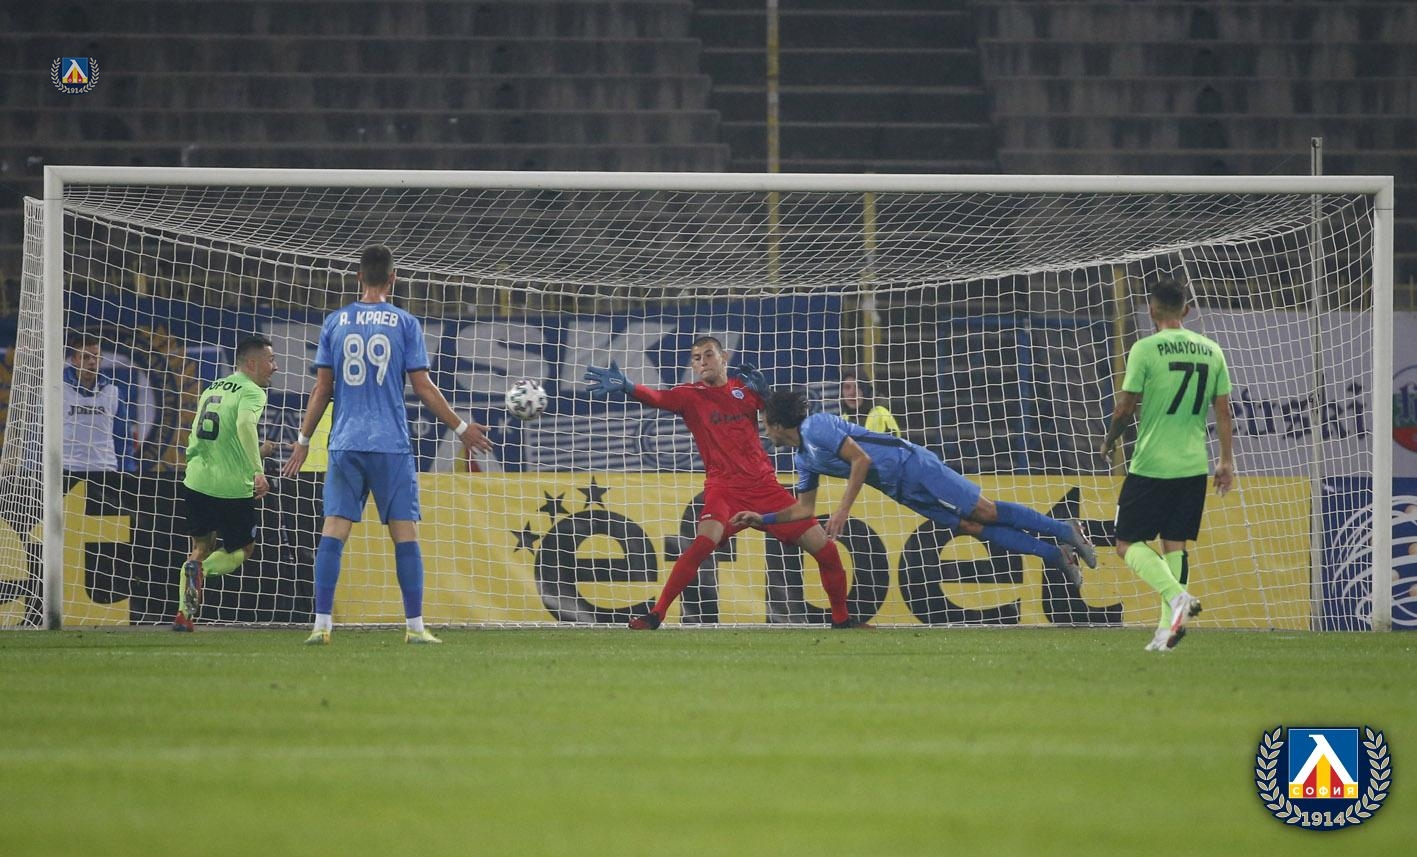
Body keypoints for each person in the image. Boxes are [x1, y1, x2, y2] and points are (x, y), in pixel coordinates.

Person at [281, 244, 492, 645]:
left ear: (358, 276)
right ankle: (414, 627)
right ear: (393, 278)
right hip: (390, 443)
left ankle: (321, 625)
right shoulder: (404, 323)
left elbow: (322, 389)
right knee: (404, 534)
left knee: (333, 530)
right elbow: (423, 387)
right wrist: (461, 427)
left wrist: (304, 440)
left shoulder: (335, 322)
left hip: (345, 442)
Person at [585, 337, 866, 629]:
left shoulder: (745, 391)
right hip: (724, 490)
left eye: (708, 355)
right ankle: (656, 614)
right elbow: (657, 398)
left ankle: (841, 619)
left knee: (827, 551)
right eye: (696, 358)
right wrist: (629, 387)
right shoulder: (688, 396)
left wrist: (767, 395)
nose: (702, 361)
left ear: (724, 358)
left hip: (765, 488)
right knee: (700, 546)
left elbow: (779, 422)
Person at [730, 390, 1097, 593]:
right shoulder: (804, 458)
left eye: (765, 425)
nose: (765, 433)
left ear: (778, 423)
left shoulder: (816, 426)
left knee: (985, 512)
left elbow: (861, 461)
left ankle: (1066, 530)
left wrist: (842, 511)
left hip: (912, 466)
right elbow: (803, 510)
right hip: (899, 488)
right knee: (969, 527)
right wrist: (763, 519)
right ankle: (1055, 555)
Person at [1098, 277, 1233, 652]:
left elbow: (1126, 407)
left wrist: (1110, 440)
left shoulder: (1145, 349)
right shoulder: (1211, 350)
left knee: (1126, 543)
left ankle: (1177, 597)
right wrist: (1225, 461)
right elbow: (1223, 411)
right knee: (1175, 546)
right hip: (1192, 466)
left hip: (1152, 464)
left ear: (1152, 310)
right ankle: (1166, 631)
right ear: (1186, 310)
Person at [1, 333, 125, 626]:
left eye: (97, 357)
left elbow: (121, 433)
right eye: (86, 357)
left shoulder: (113, 391)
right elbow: (36, 432)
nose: (92, 363)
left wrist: (126, 467)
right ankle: (45, 601)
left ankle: (105, 598)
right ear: (74, 359)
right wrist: (31, 468)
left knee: (102, 542)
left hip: (103, 471)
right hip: (64, 472)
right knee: (53, 537)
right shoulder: (56, 390)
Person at [171, 334, 279, 631]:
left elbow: (215, 438)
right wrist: (258, 470)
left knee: (201, 546)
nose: (275, 367)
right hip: (231, 486)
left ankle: (184, 616)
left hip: (197, 480)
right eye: (271, 360)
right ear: (252, 364)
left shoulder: (213, 387)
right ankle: (202, 571)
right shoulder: (253, 392)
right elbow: (244, 424)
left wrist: (260, 450)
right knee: (244, 548)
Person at [840, 370, 900, 436]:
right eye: (847, 387)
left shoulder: (880, 414)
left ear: (866, 390)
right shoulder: (843, 418)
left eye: (857, 387)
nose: (852, 393)